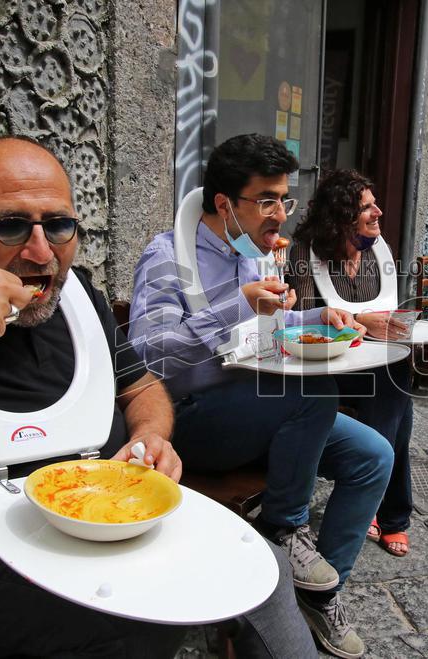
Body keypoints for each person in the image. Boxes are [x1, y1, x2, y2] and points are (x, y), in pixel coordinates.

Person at [0, 136, 315, 658]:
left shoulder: (77, 299)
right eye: (11, 225)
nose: (41, 252)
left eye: (59, 225)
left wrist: (151, 434)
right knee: (141, 623)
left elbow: (142, 387)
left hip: (103, 517)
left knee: (264, 572)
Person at [128, 134, 392, 659]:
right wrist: (236, 306)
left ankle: (320, 595)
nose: (280, 214)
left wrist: (316, 316)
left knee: (373, 456)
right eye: (267, 200)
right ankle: (284, 529)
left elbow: (266, 325)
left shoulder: (250, 254)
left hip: (262, 407)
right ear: (225, 203)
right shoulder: (167, 254)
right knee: (314, 395)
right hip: (193, 421)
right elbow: (148, 353)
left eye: (284, 199)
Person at [285, 169, 415, 559]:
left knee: (395, 385)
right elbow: (308, 313)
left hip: (375, 362)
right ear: (342, 216)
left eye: (375, 204)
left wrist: (388, 323)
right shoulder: (306, 251)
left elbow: (389, 306)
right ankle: (392, 514)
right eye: (367, 207)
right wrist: (361, 322)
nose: (378, 212)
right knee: (398, 404)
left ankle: (379, 502)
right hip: (330, 366)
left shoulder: (378, 251)